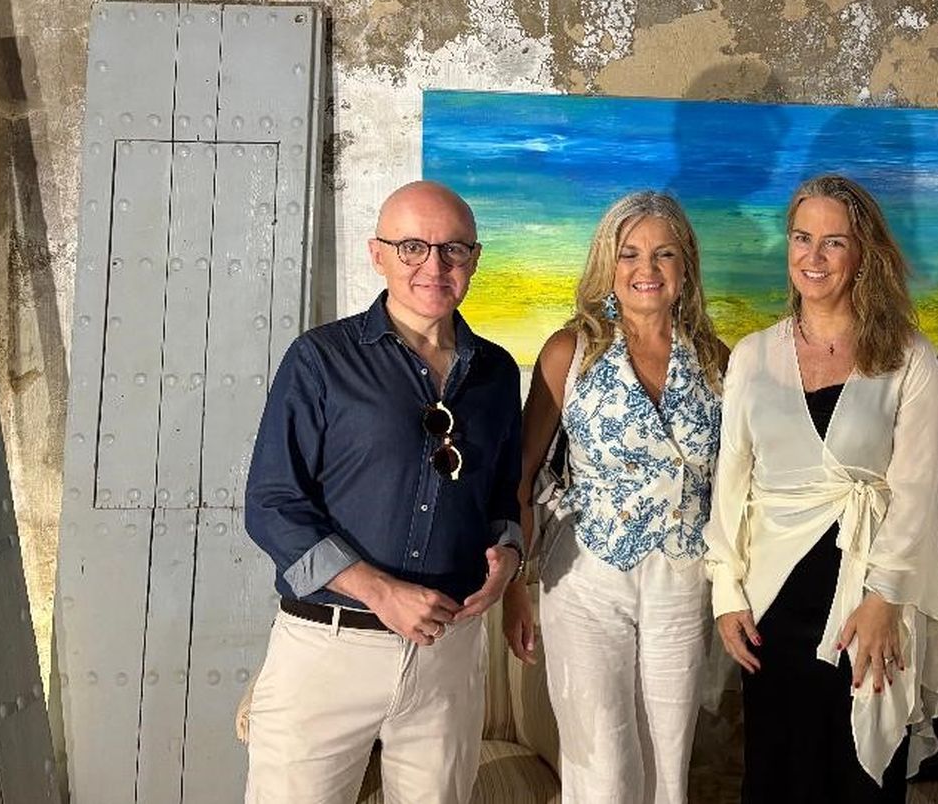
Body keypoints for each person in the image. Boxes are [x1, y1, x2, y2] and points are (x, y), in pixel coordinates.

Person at [243, 180, 525, 803]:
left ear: (474, 259)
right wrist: (381, 592)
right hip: (327, 647)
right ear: (377, 254)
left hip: (447, 656)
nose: (434, 266)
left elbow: (504, 493)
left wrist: (507, 555)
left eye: (453, 250)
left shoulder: (500, 372)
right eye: (413, 247)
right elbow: (271, 504)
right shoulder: (319, 359)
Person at [705, 174, 938, 804]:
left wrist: (883, 601)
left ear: (863, 252)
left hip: (869, 600)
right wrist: (727, 595)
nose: (812, 257)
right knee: (778, 773)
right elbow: (731, 481)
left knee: (858, 779)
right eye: (801, 238)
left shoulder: (909, 358)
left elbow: (917, 493)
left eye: (833, 242)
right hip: (772, 602)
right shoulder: (753, 357)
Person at [501, 191, 728, 803]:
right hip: (585, 577)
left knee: (668, 766)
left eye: (663, 253)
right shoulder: (569, 351)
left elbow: (734, 486)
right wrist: (517, 589)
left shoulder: (716, 362)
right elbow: (519, 476)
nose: (645, 269)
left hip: (683, 580)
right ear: (609, 261)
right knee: (600, 763)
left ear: (686, 267)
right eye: (629, 253)